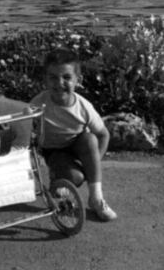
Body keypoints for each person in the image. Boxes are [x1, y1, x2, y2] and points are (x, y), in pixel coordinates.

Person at [30, 47, 117, 222]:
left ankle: (96, 198)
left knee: (90, 139)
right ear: (45, 80)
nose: (59, 83)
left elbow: (103, 135)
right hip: (53, 150)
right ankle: (57, 177)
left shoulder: (83, 107)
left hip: (76, 145)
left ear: (79, 80)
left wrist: (93, 164)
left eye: (67, 77)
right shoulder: (38, 105)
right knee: (75, 178)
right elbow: (25, 132)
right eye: (53, 77)